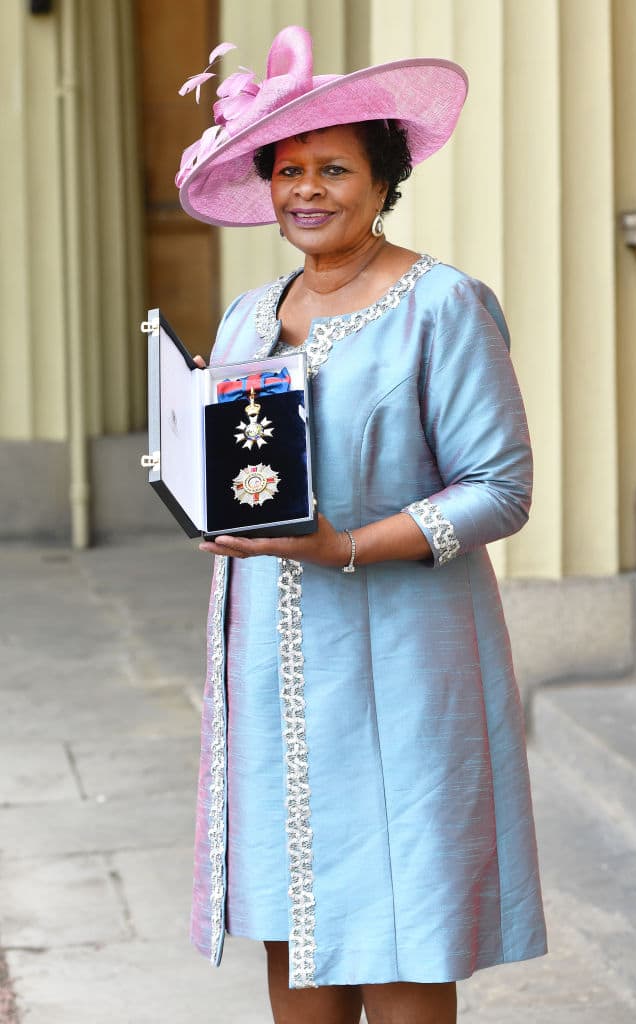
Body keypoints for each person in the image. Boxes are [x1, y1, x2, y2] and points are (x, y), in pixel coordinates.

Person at [176, 25, 547, 1024]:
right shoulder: (247, 316)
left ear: (383, 178)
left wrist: (345, 543)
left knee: (401, 909)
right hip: (271, 662)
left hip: (401, 662)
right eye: (288, 168)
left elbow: (499, 487)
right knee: (293, 912)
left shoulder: (441, 306)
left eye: (333, 168)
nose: (306, 189)